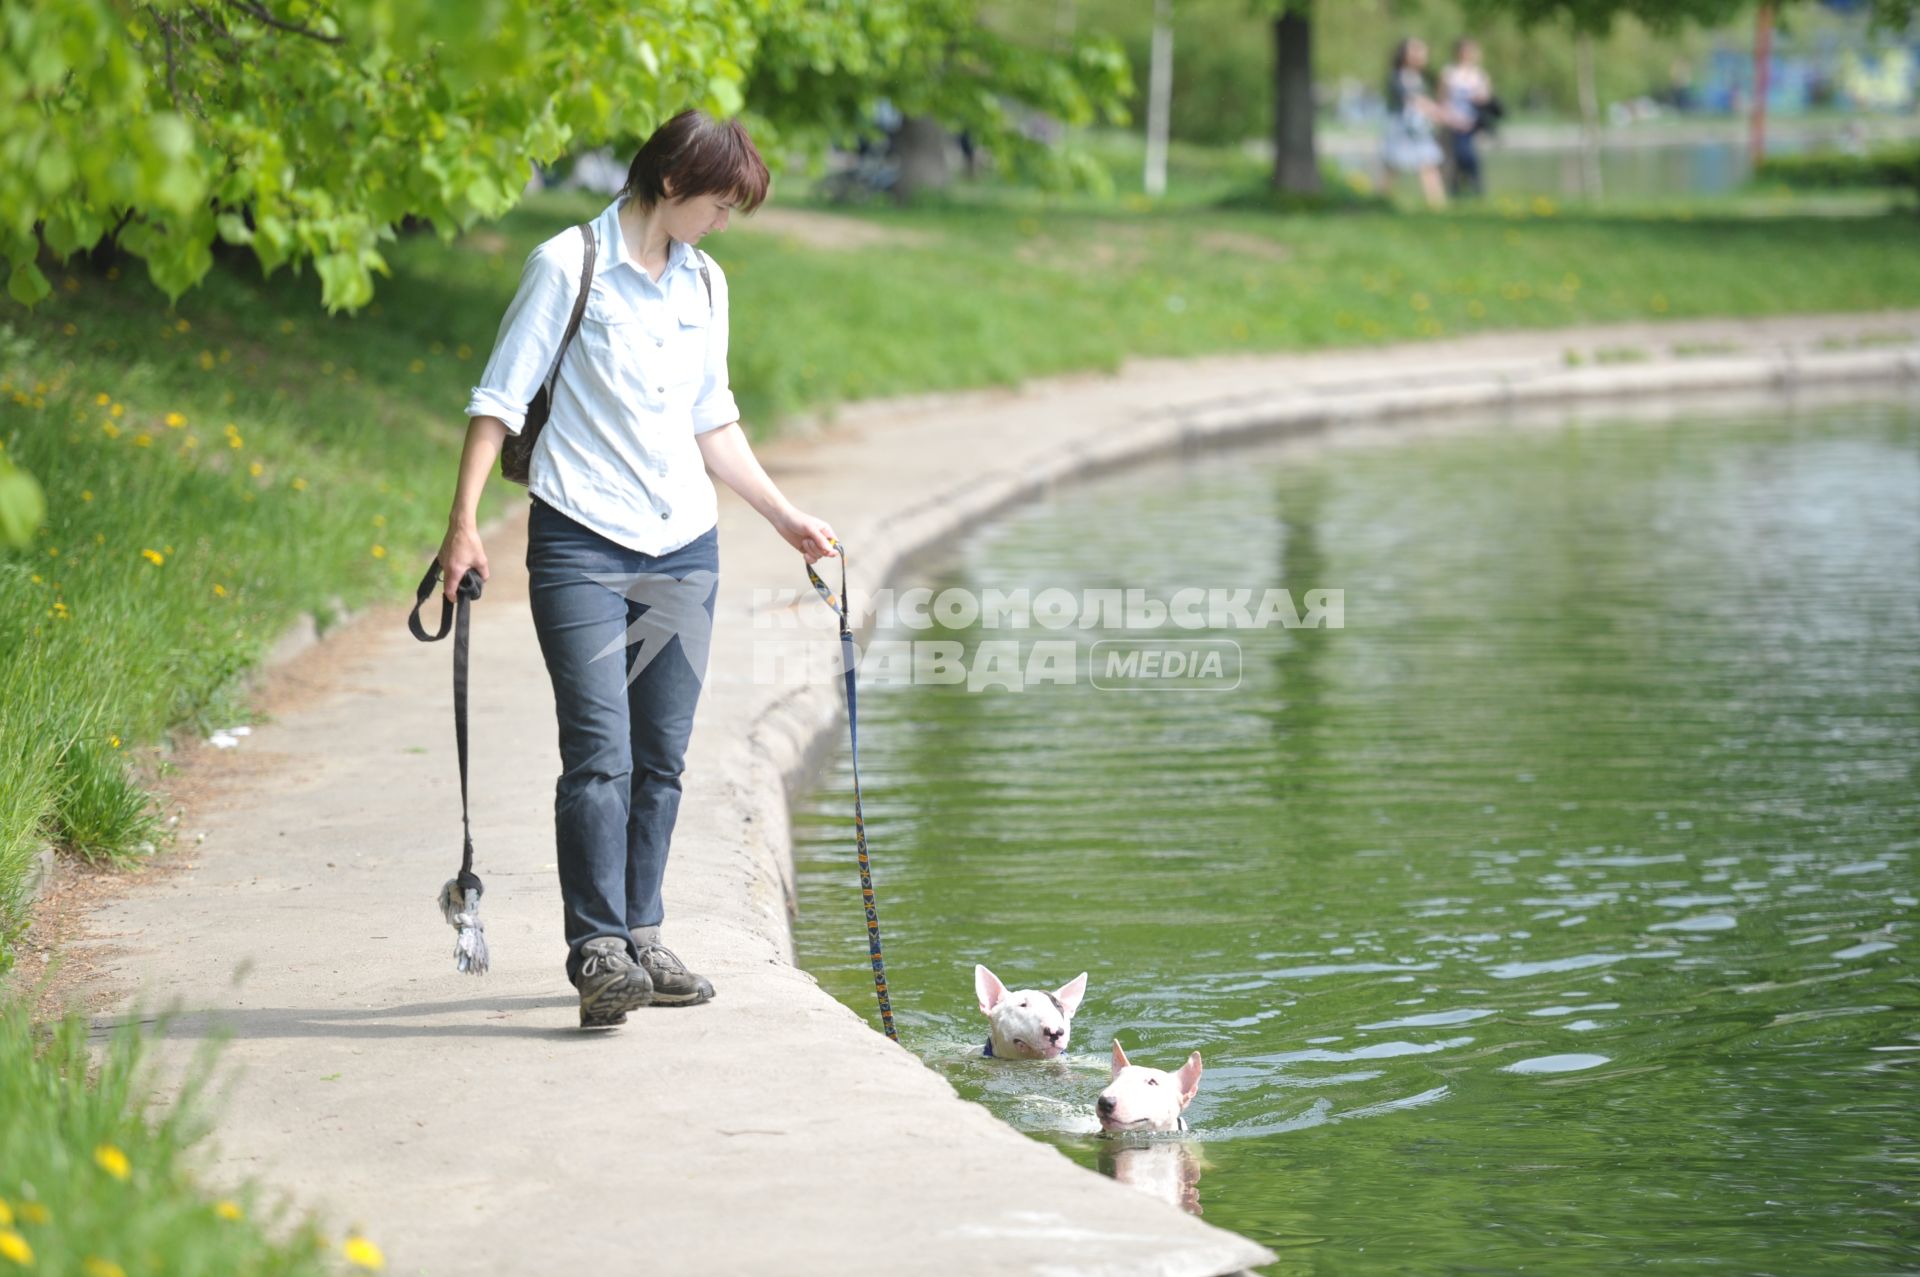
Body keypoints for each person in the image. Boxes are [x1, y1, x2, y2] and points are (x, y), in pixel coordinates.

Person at [437, 109, 839, 1029]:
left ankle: (642, 932)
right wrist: (463, 527)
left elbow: (713, 420)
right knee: (601, 753)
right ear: (670, 185)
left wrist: (784, 518)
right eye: (720, 201)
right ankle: (598, 949)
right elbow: (496, 404)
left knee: (661, 754)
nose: (726, 219)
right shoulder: (567, 267)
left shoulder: (706, 283)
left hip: (682, 549)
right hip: (580, 542)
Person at [1379, 38, 1469, 210]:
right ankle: (1381, 201)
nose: (1421, 55)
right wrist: (1445, 116)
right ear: (1405, 55)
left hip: (1419, 128)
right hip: (1401, 129)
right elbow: (1415, 100)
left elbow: (1434, 99)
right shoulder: (1397, 76)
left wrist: (1443, 111)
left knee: (1428, 164)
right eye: (1416, 51)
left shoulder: (1422, 77)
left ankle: (1438, 205)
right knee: (1393, 166)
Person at [1440, 38, 1495, 198]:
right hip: (1455, 120)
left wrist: (1480, 97)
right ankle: (1463, 188)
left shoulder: (1479, 75)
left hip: (1474, 121)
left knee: (1468, 154)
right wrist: (1447, 117)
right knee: (1459, 155)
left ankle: (1471, 188)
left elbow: (1487, 98)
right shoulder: (1449, 73)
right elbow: (1442, 98)